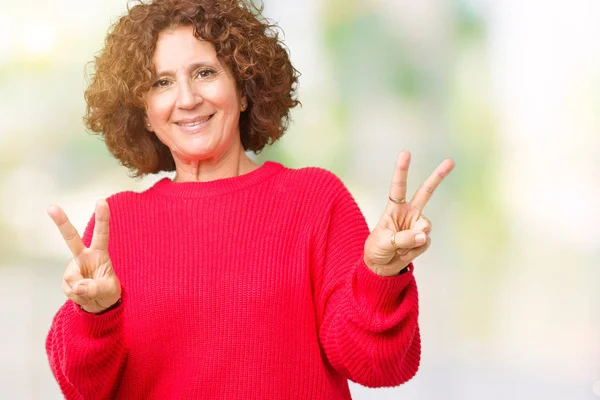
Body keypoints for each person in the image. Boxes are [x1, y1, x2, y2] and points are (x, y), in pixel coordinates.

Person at [45, 0, 454, 399]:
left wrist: (379, 278)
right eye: (161, 82)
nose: (187, 99)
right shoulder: (115, 223)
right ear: (144, 113)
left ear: (244, 88)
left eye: (205, 72)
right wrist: (94, 317)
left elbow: (380, 366)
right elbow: (82, 390)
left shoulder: (314, 200)